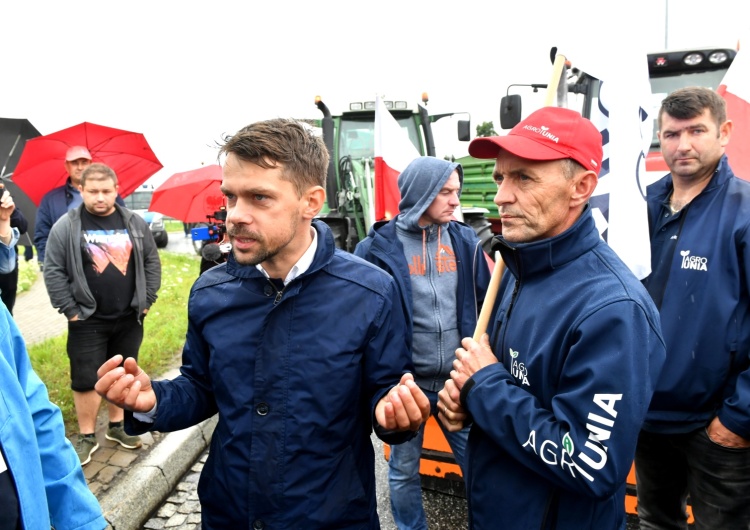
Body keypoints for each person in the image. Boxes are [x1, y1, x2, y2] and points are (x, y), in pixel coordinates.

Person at [94, 118, 431, 529]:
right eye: (231, 197)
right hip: (231, 512)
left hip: (331, 515)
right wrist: (154, 401)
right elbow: (201, 387)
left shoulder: (371, 292)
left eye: (259, 198)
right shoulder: (210, 293)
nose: (236, 215)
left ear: (312, 201)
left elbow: (386, 393)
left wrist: (397, 416)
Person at [437, 107, 666, 530]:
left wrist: (484, 387)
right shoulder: (514, 268)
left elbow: (590, 465)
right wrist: (469, 403)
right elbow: (515, 390)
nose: (502, 196)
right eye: (500, 178)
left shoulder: (614, 311)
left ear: (581, 187)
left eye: (523, 177)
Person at [354, 156, 491, 529]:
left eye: (456, 192)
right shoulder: (375, 250)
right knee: (402, 472)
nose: (454, 201)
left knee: (480, 469)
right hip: (405, 385)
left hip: (456, 384)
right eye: (446, 192)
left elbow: (486, 301)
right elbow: (357, 320)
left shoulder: (464, 241)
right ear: (422, 193)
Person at [635, 86, 750, 529]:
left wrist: (738, 419)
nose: (682, 145)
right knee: (655, 521)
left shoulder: (742, 213)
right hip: (648, 416)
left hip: (716, 424)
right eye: (671, 134)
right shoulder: (640, 209)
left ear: (724, 133)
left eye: (696, 131)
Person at [43, 163, 162, 466]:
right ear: (80, 190)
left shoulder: (134, 222)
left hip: (128, 318)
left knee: (122, 372)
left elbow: (151, 262)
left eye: (106, 191)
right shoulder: (66, 226)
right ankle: (85, 436)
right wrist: (70, 311)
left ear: (116, 190)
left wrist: (146, 302)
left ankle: (117, 427)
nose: (100, 197)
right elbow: (54, 269)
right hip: (86, 320)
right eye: (93, 191)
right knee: (85, 379)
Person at [33, 145, 125, 269]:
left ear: (91, 164)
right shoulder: (51, 200)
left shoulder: (111, 197)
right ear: (66, 166)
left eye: (84, 162)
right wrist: (50, 266)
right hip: (67, 266)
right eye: (75, 163)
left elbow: (124, 230)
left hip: (105, 265)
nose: (80, 167)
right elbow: (42, 235)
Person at [0, 199, 28, 314]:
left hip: (7, 260)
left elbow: (22, 226)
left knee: (7, 309)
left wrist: (9, 214)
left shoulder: (4, 202)